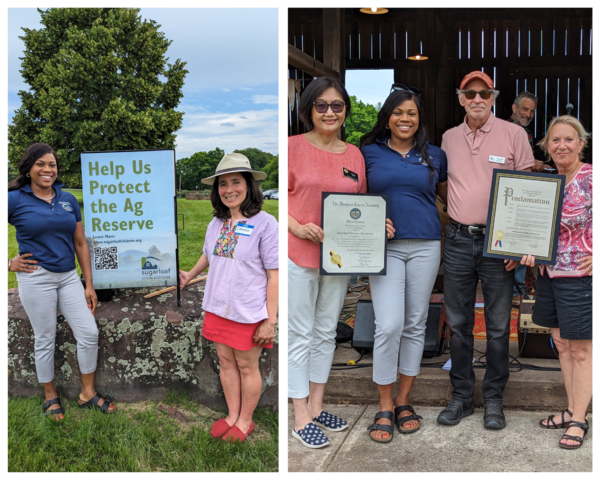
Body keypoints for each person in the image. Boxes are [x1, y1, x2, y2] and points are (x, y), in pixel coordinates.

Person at [288, 76, 394, 448]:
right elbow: (276, 204)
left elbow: (360, 204)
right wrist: (298, 227)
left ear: (345, 110)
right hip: (298, 255)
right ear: (308, 110)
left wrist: (375, 223)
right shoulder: (292, 148)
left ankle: (317, 405)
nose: (330, 112)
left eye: (337, 105)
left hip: (337, 259)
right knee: (299, 333)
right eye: (321, 106)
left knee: (325, 332)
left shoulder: (353, 155)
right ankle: (299, 414)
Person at [437, 71, 534, 430]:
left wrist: (518, 243)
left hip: (499, 243)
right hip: (460, 240)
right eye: (470, 93)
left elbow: (528, 190)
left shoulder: (514, 134)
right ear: (460, 98)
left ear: (493, 97)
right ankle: (461, 397)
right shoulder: (448, 138)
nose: (477, 99)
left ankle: (494, 399)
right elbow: (444, 186)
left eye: (484, 93)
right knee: (459, 324)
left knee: (496, 327)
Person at [359, 85, 447, 443]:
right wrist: (370, 221)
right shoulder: (368, 153)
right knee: (389, 324)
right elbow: (352, 200)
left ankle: (403, 401)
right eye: (398, 112)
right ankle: (382, 404)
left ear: (419, 118)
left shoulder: (436, 155)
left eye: (411, 113)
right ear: (388, 117)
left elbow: (448, 197)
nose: (405, 118)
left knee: (415, 322)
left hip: (426, 243)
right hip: (385, 248)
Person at [8, 142, 115, 420]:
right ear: (29, 169)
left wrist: (88, 284)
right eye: (40, 164)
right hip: (36, 278)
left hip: (68, 277)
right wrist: (8, 263)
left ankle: (87, 393)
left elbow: (80, 243)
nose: (47, 169)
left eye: (52, 164)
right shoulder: (14, 199)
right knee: (45, 337)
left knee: (89, 332)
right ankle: (50, 395)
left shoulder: (67, 199)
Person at [179, 152, 278, 443]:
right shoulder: (218, 223)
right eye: (222, 184)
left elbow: (274, 276)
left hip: (248, 311)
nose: (229, 189)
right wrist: (190, 274)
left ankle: (246, 420)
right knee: (226, 364)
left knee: (248, 367)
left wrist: (269, 320)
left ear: (249, 185)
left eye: (236, 182)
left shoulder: (265, 223)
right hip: (218, 307)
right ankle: (232, 415)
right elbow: (210, 255)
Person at [518, 116, 592, 449]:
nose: (561, 145)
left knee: (580, 350)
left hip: (580, 275)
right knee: (561, 345)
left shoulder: (592, 177)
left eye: (569, 139)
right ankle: (572, 408)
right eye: (555, 140)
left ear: (581, 143)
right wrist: (526, 248)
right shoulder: (549, 183)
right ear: (546, 147)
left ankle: (579, 419)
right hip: (548, 274)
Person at [509, 91, 543, 297]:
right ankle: (516, 292)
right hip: (509, 196)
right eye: (524, 109)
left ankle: (519, 291)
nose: (528, 114)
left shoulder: (527, 133)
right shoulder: (505, 130)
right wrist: (532, 164)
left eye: (532, 111)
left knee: (522, 245)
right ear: (514, 108)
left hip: (524, 196)